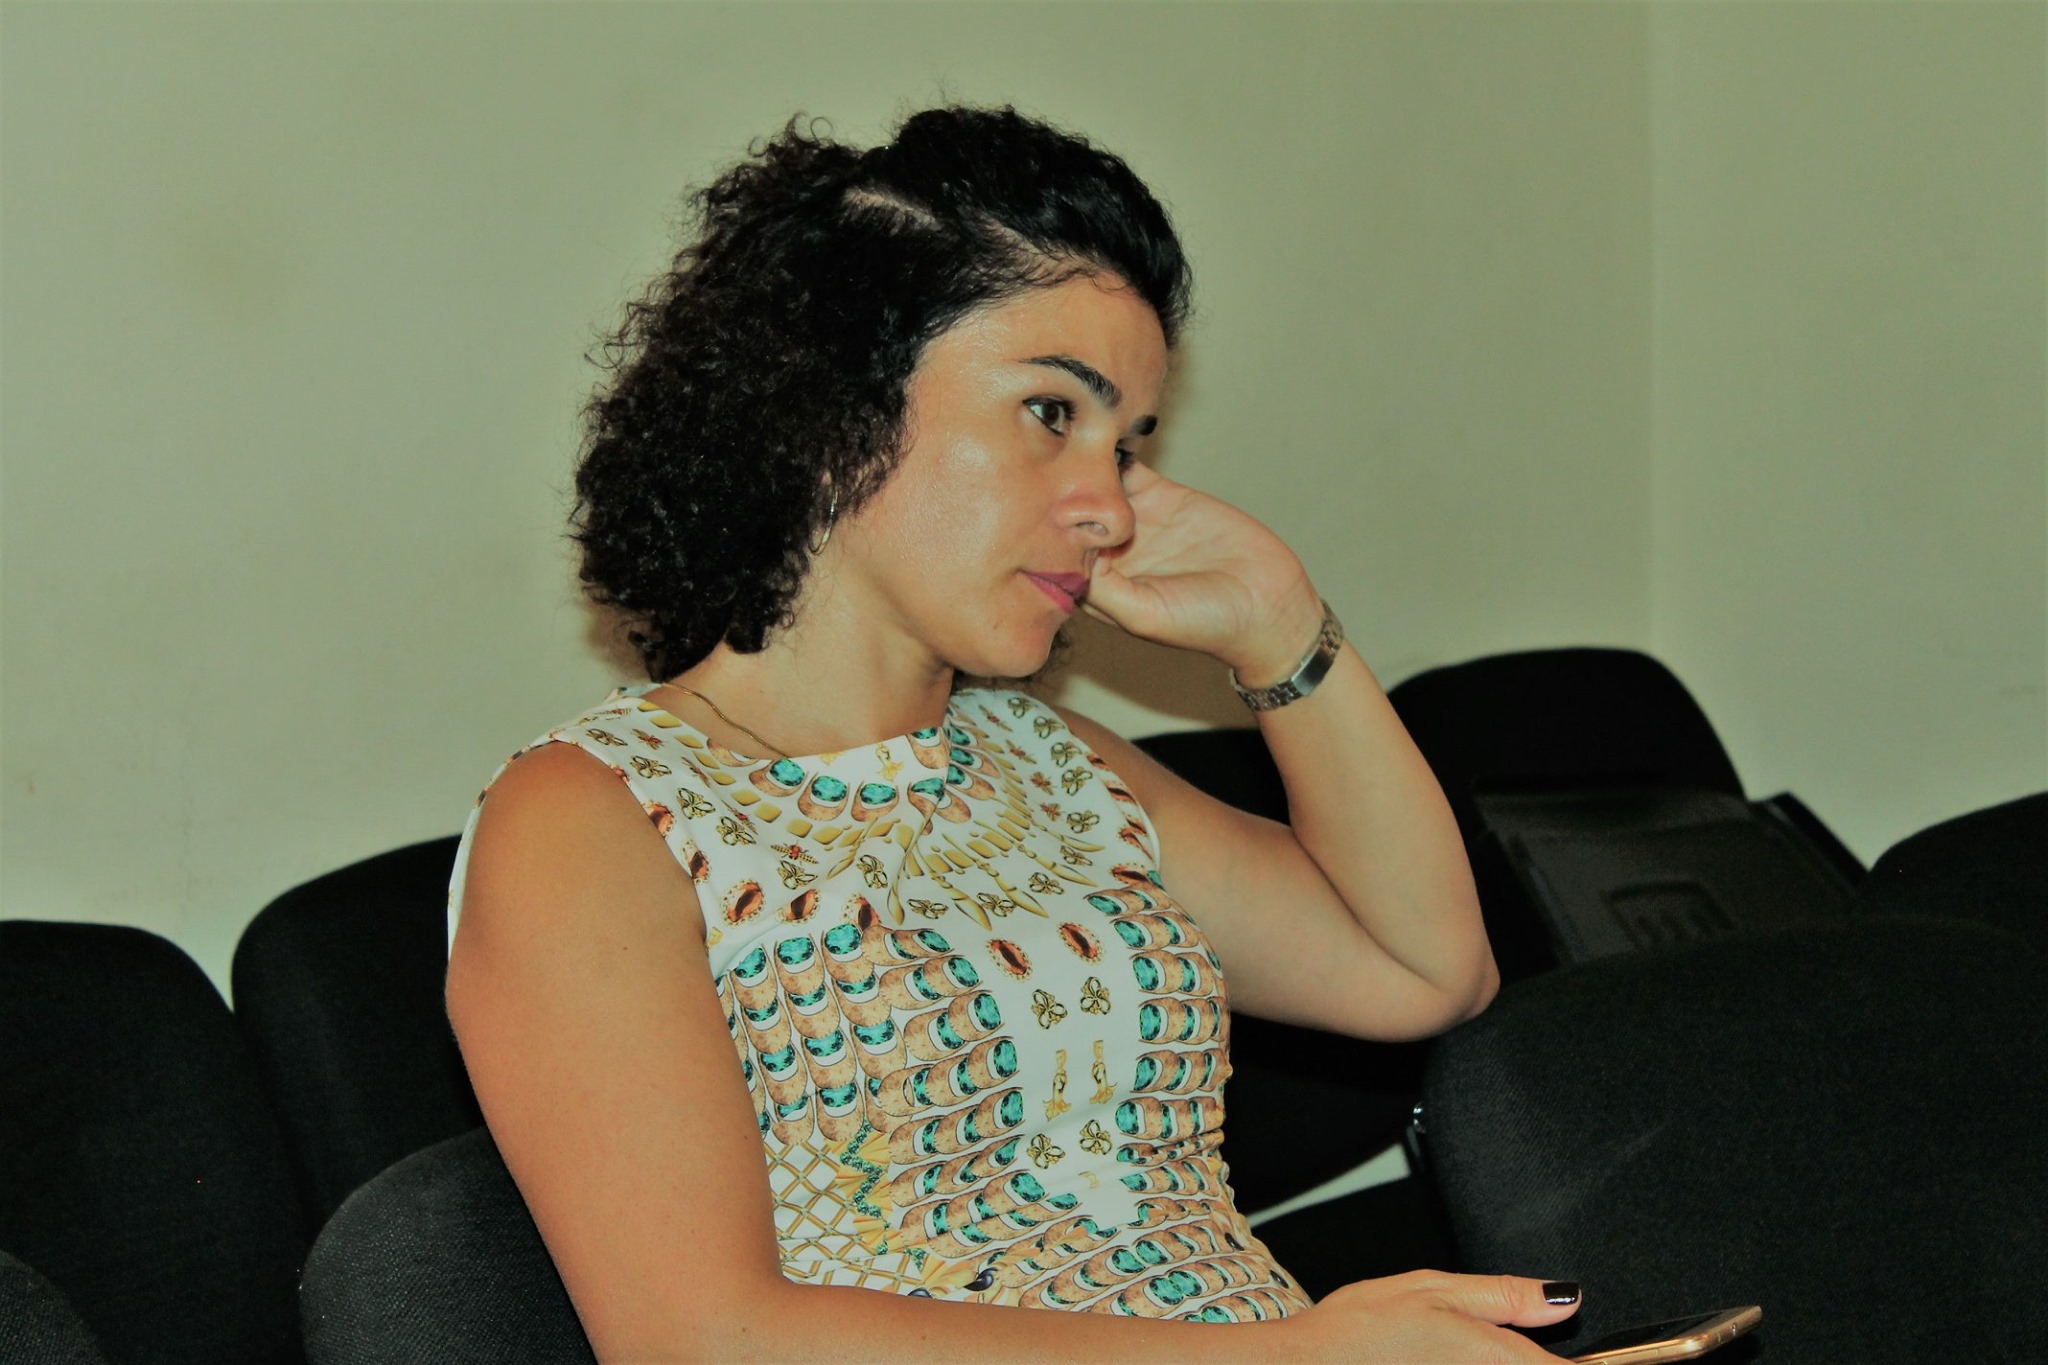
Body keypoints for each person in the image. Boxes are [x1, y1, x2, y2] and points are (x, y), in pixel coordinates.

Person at [447, 105, 1582, 1361]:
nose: (1107, 508)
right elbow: (699, 1338)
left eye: (1125, 444)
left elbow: (1425, 971)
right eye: (1050, 413)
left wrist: (1280, 629)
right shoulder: (591, 817)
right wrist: (1287, 1357)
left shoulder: (1050, 763)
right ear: (831, 408)